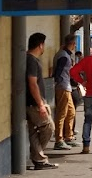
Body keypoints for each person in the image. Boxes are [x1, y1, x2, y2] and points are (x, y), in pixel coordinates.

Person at [26, 33, 58, 169]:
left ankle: (38, 159)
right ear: (40, 45)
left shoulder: (28, 59)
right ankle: (38, 156)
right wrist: (40, 104)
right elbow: (33, 84)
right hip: (34, 104)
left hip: (31, 102)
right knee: (49, 127)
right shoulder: (32, 61)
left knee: (33, 131)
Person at [51, 34, 79, 150]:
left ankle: (69, 136)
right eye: (74, 44)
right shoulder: (63, 56)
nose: (75, 46)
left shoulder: (65, 54)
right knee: (62, 113)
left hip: (66, 86)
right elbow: (59, 72)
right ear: (72, 44)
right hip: (63, 86)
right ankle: (59, 139)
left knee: (71, 112)